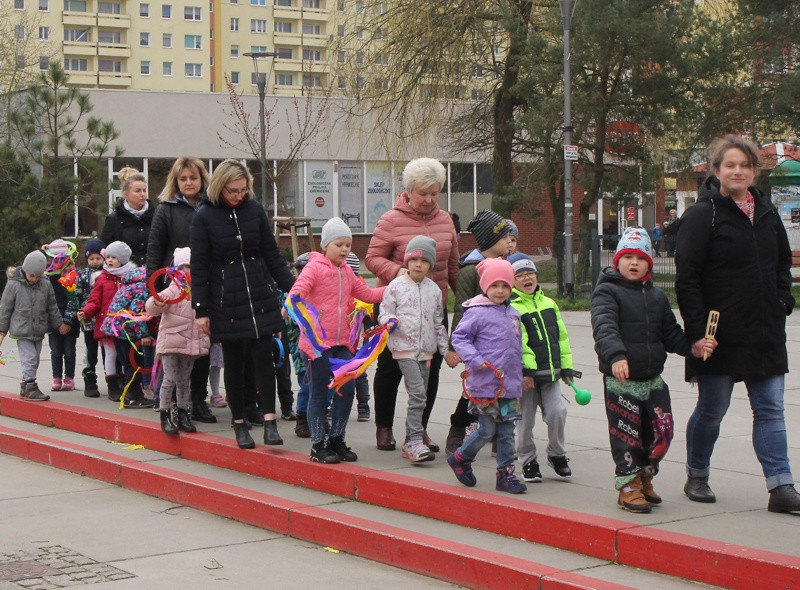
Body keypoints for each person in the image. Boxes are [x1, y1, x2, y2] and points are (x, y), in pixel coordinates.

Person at [675, 135, 800, 513]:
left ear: (754, 171)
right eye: (730, 165)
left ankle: (781, 487)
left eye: (745, 165)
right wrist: (697, 333)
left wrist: (782, 300)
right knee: (713, 409)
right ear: (717, 171)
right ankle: (697, 474)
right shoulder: (703, 214)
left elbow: (782, 262)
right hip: (718, 335)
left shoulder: (765, 211)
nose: (738, 171)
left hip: (764, 330)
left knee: (770, 409)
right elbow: (687, 278)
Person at [591, 227, 715, 513]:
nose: (633, 263)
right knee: (627, 435)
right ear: (617, 261)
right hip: (621, 380)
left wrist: (693, 347)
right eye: (628, 256)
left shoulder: (657, 297)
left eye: (641, 258)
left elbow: (670, 334)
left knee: (662, 432)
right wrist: (616, 356)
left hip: (652, 379)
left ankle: (645, 476)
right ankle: (628, 485)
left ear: (649, 263)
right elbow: (605, 327)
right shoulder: (607, 291)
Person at [190, 159, 295, 450]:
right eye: (232, 191)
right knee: (234, 364)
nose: (238, 195)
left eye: (243, 189)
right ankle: (239, 424)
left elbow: (272, 254)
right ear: (220, 187)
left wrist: (294, 289)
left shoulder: (255, 210)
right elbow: (199, 266)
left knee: (265, 359)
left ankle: (270, 421)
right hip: (226, 298)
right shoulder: (204, 216)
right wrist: (201, 310)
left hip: (260, 294)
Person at [365, 157, 460, 452]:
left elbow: (453, 264)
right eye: (423, 193)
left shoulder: (445, 220)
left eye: (435, 192)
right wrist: (399, 272)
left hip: (434, 307)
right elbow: (372, 259)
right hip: (398, 310)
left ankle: (419, 430)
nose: (430, 199)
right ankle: (384, 428)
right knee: (390, 370)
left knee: (429, 374)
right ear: (408, 191)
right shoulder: (390, 220)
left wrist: (469, 302)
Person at [290, 217, 385, 464]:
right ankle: (317, 444)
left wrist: (395, 287)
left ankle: (336, 439)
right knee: (319, 393)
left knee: (348, 389)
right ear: (325, 246)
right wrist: (294, 298)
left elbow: (367, 294)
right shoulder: (314, 267)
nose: (344, 249)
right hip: (318, 345)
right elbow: (298, 288)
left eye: (348, 245)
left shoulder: (347, 272)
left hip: (342, 344)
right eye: (339, 244)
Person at [446, 258, 526, 494]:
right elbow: (460, 338)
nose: (500, 291)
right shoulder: (476, 312)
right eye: (494, 286)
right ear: (484, 286)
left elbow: (516, 346)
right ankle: (461, 457)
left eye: (505, 286)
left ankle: (505, 474)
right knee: (487, 430)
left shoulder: (513, 313)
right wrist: (475, 360)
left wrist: (522, 372)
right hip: (486, 384)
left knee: (507, 431)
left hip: (509, 384)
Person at [146, 156, 217, 424]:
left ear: (202, 179)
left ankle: (196, 401)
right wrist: (153, 290)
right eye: (183, 178)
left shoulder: (210, 206)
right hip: (174, 288)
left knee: (200, 348)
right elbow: (154, 251)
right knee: (174, 351)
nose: (188, 183)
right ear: (176, 181)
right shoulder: (166, 209)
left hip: (205, 283)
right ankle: (168, 404)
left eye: (193, 178)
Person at [379, 235, 457, 463]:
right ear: (406, 261)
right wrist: (390, 320)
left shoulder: (434, 290)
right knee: (418, 394)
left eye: (424, 261)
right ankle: (413, 440)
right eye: (414, 260)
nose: (418, 264)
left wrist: (447, 351)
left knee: (419, 397)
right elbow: (384, 312)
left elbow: (438, 324)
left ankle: (412, 440)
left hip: (426, 352)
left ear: (430, 265)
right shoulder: (395, 286)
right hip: (404, 349)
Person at [445, 208, 514, 455]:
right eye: (505, 236)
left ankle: (500, 437)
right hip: (478, 346)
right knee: (476, 391)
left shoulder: (505, 266)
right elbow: (460, 309)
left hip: (502, 343)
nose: (510, 241)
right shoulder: (470, 270)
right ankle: (457, 430)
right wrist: (454, 348)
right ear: (490, 240)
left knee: (504, 388)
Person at [508, 253, 575, 482]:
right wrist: (526, 372)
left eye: (531, 274)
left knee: (558, 412)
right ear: (512, 280)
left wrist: (566, 368)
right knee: (525, 421)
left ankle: (557, 455)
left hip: (551, 374)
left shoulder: (550, 304)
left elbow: (562, 339)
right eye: (521, 275)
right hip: (526, 377)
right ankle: (527, 459)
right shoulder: (512, 308)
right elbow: (519, 343)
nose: (527, 279)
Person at [146, 247, 210, 435]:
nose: (187, 271)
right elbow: (152, 307)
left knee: (184, 381)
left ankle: (182, 413)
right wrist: (158, 302)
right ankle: (165, 414)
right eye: (183, 267)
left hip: (190, 344)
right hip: (172, 342)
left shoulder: (200, 291)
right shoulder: (173, 290)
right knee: (169, 379)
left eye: (190, 267)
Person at [0, 250, 69, 401]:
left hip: (38, 328)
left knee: (35, 359)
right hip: (21, 329)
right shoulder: (14, 284)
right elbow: (5, 308)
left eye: (38, 276)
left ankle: (25, 385)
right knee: (29, 358)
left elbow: (52, 306)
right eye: (32, 275)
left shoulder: (45, 284)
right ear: (25, 270)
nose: (34, 279)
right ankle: (31, 386)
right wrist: (2, 330)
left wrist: (59, 324)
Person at [78, 241, 130, 401]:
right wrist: (85, 312)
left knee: (124, 355)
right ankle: (112, 384)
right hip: (107, 325)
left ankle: (125, 382)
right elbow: (95, 301)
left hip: (126, 324)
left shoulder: (129, 276)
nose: (109, 260)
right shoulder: (101, 279)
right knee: (110, 354)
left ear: (122, 259)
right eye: (107, 257)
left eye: (114, 257)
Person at [99, 265, 156, 409]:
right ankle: (133, 396)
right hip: (127, 330)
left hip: (115, 328)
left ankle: (130, 393)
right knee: (135, 363)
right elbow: (136, 314)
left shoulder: (127, 286)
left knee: (127, 362)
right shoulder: (142, 288)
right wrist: (144, 335)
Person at [44, 239, 80, 392]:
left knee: (69, 351)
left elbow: (74, 300)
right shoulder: (48, 277)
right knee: (56, 351)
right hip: (53, 322)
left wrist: (67, 321)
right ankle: (56, 378)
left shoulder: (72, 278)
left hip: (70, 322)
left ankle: (69, 378)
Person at [101, 167, 155, 266]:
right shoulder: (114, 219)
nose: (143, 194)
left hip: (152, 272)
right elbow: (106, 249)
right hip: (124, 273)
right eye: (138, 191)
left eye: (144, 190)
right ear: (126, 194)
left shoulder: (156, 216)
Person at [75, 238, 105, 397]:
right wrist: (78, 312)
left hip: (106, 320)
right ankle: (90, 378)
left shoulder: (108, 274)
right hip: (89, 320)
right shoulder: (82, 275)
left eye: (98, 258)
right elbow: (77, 295)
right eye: (91, 258)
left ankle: (113, 378)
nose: (94, 262)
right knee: (90, 350)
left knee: (108, 351)